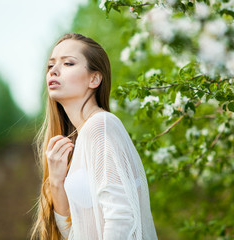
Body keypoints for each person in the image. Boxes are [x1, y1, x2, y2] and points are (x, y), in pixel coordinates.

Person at [31, 33, 158, 240]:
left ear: (94, 78)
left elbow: (122, 217)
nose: (54, 70)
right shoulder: (82, 137)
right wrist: (56, 182)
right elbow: (75, 233)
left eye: (68, 63)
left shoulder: (101, 125)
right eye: (50, 66)